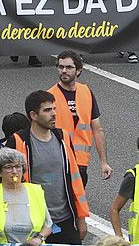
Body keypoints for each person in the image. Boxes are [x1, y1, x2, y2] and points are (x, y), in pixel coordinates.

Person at [17, 89, 90, 244]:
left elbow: (75, 179)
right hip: (35, 223)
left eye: (54, 109)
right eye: (48, 110)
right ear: (33, 115)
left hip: (65, 219)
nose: (54, 114)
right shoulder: (18, 142)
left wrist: (81, 217)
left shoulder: (62, 137)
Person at [49, 50, 112, 186]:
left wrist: (103, 162)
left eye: (69, 67)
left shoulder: (87, 93)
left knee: (78, 202)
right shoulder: (49, 96)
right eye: (61, 67)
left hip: (81, 162)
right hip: (58, 161)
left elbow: (97, 130)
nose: (64, 71)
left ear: (78, 70)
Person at [0, 147, 51, 246]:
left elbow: (48, 225)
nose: (14, 171)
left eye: (18, 166)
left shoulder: (36, 191)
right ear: (0, 172)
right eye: (8, 167)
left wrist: (40, 238)